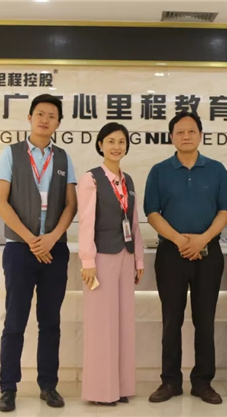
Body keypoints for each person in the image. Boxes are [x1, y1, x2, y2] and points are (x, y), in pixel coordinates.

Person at [0, 94, 78, 412]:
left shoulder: (64, 158)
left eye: (52, 115)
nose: (45, 119)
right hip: (19, 249)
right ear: (30, 117)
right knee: (15, 321)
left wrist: (52, 238)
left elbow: (71, 205)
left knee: (50, 322)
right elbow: (0, 202)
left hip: (54, 250)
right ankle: (8, 388)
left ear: (58, 123)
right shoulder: (11, 154)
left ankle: (48, 385)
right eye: (40, 113)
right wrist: (31, 240)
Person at [144, 111, 227, 405]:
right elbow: (152, 213)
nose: (186, 136)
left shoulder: (216, 169)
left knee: (205, 320)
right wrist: (180, 240)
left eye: (191, 131)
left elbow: (225, 211)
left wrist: (202, 239)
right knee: (172, 320)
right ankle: (170, 382)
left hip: (208, 253)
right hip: (171, 254)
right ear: (171, 137)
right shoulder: (159, 171)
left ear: (200, 135)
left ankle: (202, 382)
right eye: (180, 132)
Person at [77, 122, 145, 406]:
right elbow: (86, 222)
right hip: (101, 258)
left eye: (121, 142)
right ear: (100, 145)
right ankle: (101, 391)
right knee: (101, 324)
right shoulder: (90, 179)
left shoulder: (128, 180)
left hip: (125, 256)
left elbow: (134, 222)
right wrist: (87, 260)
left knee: (123, 323)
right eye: (111, 141)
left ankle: (121, 387)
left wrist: (138, 258)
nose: (116, 146)